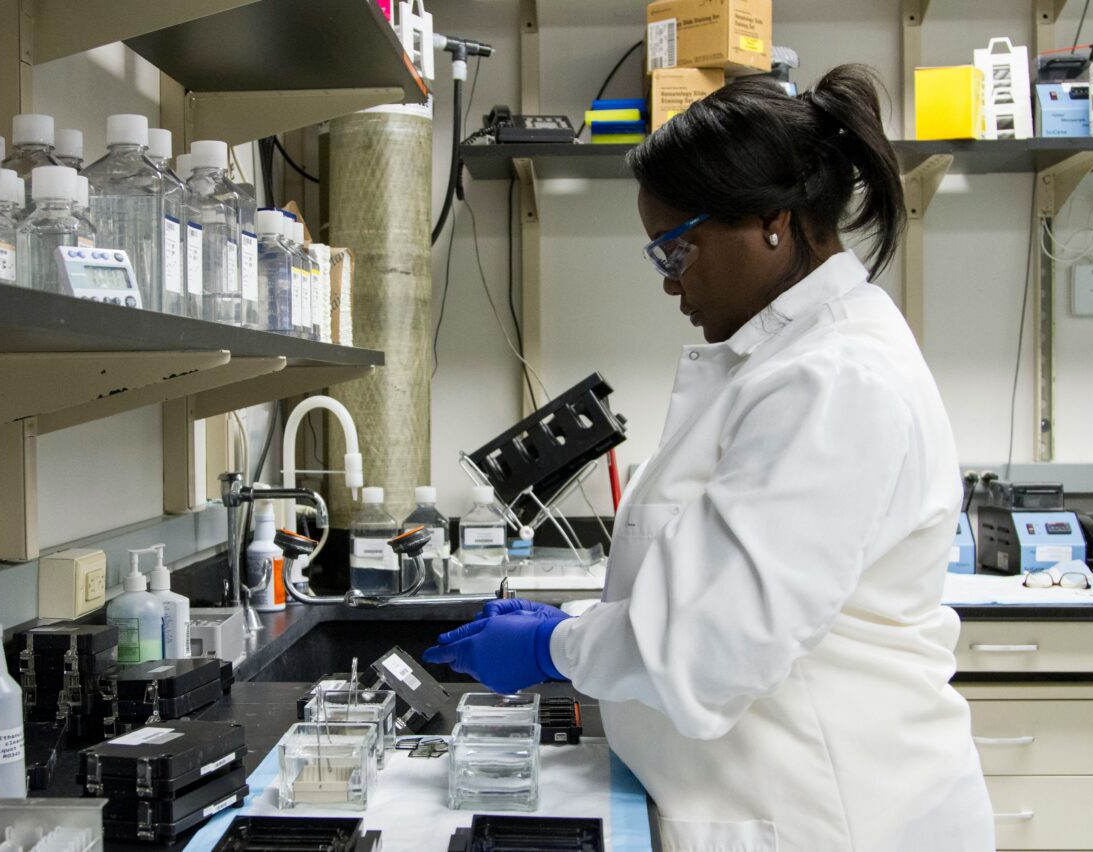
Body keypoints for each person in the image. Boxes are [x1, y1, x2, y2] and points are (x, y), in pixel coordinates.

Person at [423, 65, 994, 851]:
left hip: (834, 813)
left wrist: (553, 646)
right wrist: (580, 627)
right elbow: (710, 586)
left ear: (770, 220)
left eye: (674, 250)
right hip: (767, 793)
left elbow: (706, 647)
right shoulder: (783, 364)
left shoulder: (833, 381)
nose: (669, 283)